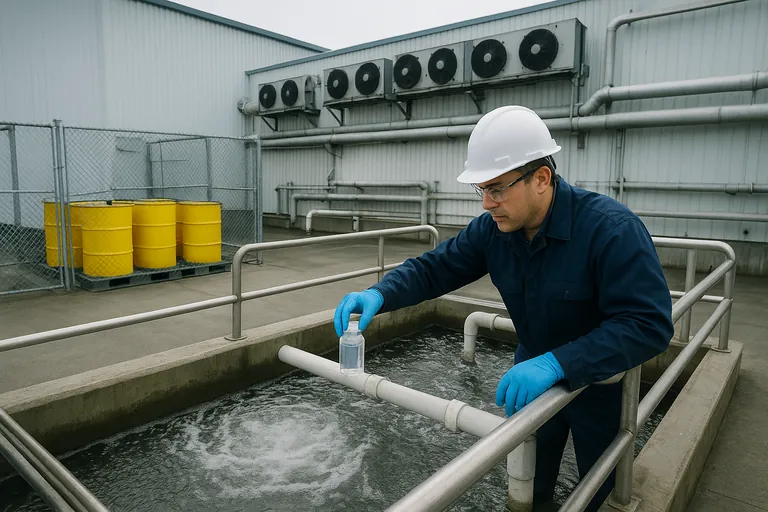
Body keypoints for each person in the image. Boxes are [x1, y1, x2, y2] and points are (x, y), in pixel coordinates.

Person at [332, 105, 674, 511]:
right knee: (529, 479)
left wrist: (558, 363)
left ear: (541, 178)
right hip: (530, 378)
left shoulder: (610, 230)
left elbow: (648, 323)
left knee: (601, 485)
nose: (486, 203)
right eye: (482, 190)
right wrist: (381, 293)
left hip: (599, 383)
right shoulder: (494, 230)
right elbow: (435, 269)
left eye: (496, 188)